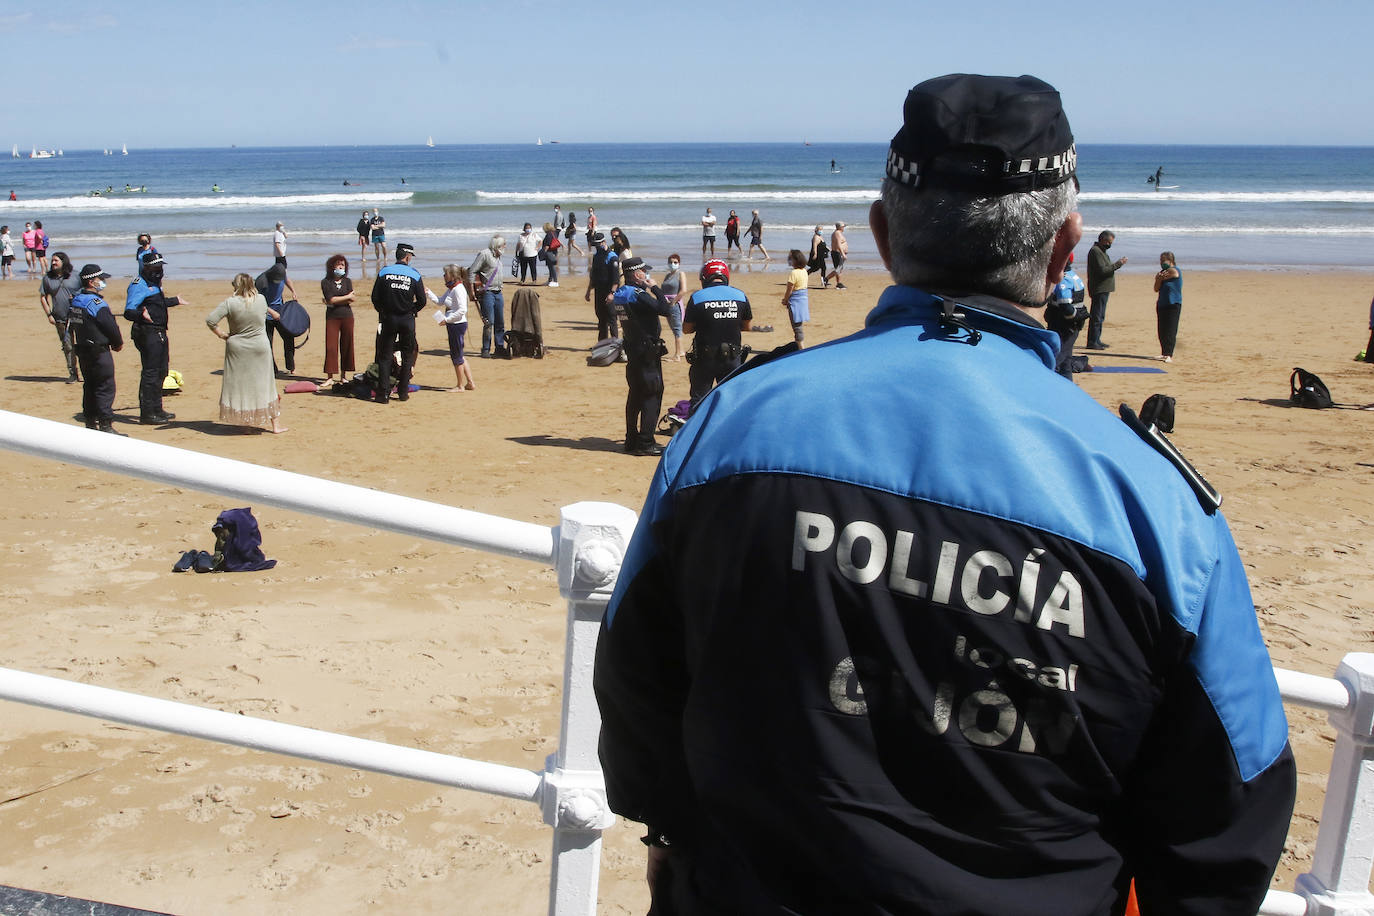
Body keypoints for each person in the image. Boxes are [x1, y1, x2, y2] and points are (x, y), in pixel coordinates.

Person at [594, 73, 1295, 916]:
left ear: (883, 235)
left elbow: (636, 682)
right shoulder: (1155, 505)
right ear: (1066, 250)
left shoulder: (731, 427)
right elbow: (1231, 807)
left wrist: (670, 836)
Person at [205, 272, 286, 433]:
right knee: (267, 385)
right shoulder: (262, 300)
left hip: (238, 348)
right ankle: (275, 426)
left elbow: (211, 320)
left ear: (236, 286)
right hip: (260, 347)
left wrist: (221, 334)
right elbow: (265, 311)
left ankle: (246, 425)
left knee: (242, 387)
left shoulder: (230, 303)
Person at [611, 256, 671, 456]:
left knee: (635, 394)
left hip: (632, 349)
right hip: (646, 351)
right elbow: (665, 309)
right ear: (637, 275)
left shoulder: (620, 293)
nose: (647, 275)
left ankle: (631, 438)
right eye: (645, 272)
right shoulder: (638, 294)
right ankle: (645, 442)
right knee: (652, 393)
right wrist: (655, 288)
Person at [124, 252, 186, 424]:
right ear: (147, 267)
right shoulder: (139, 284)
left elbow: (158, 303)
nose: (159, 270)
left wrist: (174, 301)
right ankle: (147, 413)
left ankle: (157, 408)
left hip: (159, 331)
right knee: (150, 373)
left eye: (161, 266)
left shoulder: (155, 283)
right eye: (155, 267)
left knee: (161, 371)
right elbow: (128, 312)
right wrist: (141, 315)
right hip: (147, 332)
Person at [683, 258, 751, 401]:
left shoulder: (697, 297)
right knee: (731, 399)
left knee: (699, 400)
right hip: (732, 358)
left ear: (704, 278)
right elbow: (747, 326)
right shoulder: (740, 296)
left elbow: (686, 329)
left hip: (705, 358)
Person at [68, 264, 124, 435]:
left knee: (90, 386)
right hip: (98, 352)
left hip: (83, 350)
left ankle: (91, 422)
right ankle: (106, 425)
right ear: (92, 282)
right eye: (101, 279)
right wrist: (117, 343)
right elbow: (110, 326)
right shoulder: (96, 303)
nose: (103, 282)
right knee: (105, 387)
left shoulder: (76, 301)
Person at [370, 242, 427, 403]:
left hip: (389, 318)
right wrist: (412, 310)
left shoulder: (384, 272)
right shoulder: (414, 274)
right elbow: (422, 300)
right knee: (407, 355)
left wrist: (383, 311)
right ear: (407, 257)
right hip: (407, 319)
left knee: (385, 356)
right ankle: (403, 392)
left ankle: (383, 394)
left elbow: (375, 297)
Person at [39, 251, 82, 383]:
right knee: (67, 346)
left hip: (78, 315)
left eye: (56, 260)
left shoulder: (76, 275)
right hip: (59, 318)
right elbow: (43, 297)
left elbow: (87, 290)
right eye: (52, 261)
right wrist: (49, 315)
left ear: (64, 261)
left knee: (82, 345)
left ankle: (86, 372)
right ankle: (73, 373)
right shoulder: (47, 278)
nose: (53, 263)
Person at [1045, 253, 1088, 379]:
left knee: (1058, 356)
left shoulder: (1064, 280)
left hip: (1064, 325)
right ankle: (1067, 385)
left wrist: (1074, 318)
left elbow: (1066, 307)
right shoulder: (1074, 276)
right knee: (1066, 360)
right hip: (1071, 325)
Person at [255, 262, 299, 377]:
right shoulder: (261, 281)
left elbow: (287, 280)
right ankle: (272, 369)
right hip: (265, 315)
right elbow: (257, 301)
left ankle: (291, 366)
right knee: (267, 343)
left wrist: (293, 291)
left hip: (281, 312)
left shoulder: (282, 274)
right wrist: (271, 312)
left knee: (289, 338)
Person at [1085, 230, 1126, 350]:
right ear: (1102, 239)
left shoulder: (1101, 252)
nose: (1109, 244)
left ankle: (1096, 339)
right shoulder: (1095, 252)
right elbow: (1103, 270)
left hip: (1103, 288)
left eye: (1111, 242)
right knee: (1097, 315)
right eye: (1108, 242)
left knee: (1100, 315)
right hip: (1099, 288)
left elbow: (1106, 268)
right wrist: (1118, 264)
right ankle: (1092, 341)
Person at [320, 254, 356, 388]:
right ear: (332, 267)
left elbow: (352, 299)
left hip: (347, 315)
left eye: (343, 265)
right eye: (338, 265)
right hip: (332, 317)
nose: (341, 267)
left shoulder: (348, 281)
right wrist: (345, 297)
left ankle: (344, 376)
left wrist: (338, 299)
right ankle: (329, 377)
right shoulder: (326, 282)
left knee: (347, 345)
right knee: (331, 346)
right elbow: (330, 299)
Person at [438, 263, 476, 391]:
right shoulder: (451, 288)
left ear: (452, 276)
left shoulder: (458, 289)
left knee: (456, 356)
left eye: (446, 274)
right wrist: (428, 293)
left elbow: (462, 310)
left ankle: (460, 385)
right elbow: (439, 301)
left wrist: (447, 319)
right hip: (453, 324)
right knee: (460, 354)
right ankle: (470, 382)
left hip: (457, 324)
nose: (444, 276)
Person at [469, 235, 507, 357]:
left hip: (498, 292)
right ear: (497, 246)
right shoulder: (485, 254)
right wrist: (471, 291)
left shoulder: (498, 256)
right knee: (489, 322)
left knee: (500, 322)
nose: (504, 247)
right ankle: (486, 349)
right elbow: (472, 271)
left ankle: (499, 347)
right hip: (487, 293)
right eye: (503, 245)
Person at [584, 231, 621, 342]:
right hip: (599, 291)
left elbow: (616, 279)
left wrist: (612, 293)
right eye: (595, 245)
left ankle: (615, 343)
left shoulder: (612, 257)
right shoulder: (597, 257)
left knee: (612, 318)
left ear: (604, 242)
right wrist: (588, 291)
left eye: (598, 244)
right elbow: (593, 275)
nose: (597, 247)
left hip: (609, 292)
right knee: (601, 318)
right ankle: (602, 343)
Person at [1154, 250, 1182, 362]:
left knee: (1170, 330)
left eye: (1163, 260)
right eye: (1160, 260)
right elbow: (1156, 288)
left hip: (1173, 304)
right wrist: (1158, 279)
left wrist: (1160, 278)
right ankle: (1164, 352)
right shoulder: (1162, 272)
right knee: (1162, 330)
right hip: (1162, 303)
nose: (1161, 262)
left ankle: (1169, 354)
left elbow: (1174, 274)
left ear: (1170, 261)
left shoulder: (1174, 270)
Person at [659, 253, 687, 361]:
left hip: (674, 304)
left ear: (679, 263)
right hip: (666, 304)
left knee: (677, 328)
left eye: (675, 262)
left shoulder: (681, 274)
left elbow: (683, 290)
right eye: (671, 262)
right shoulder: (667, 275)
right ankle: (681, 350)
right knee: (673, 328)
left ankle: (677, 355)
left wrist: (673, 302)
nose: (673, 264)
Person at [781, 248, 810, 346]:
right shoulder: (804, 271)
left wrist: (785, 299)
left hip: (795, 301)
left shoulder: (794, 273)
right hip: (803, 300)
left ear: (796, 260)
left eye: (791, 258)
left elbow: (790, 288)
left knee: (796, 326)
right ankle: (799, 344)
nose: (789, 260)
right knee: (799, 324)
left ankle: (800, 347)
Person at [825, 221, 849, 289]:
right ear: (840, 227)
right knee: (838, 269)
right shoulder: (837, 233)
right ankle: (826, 279)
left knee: (839, 269)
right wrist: (843, 254)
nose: (844, 228)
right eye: (843, 227)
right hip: (837, 253)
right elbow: (838, 244)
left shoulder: (838, 233)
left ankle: (838, 283)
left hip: (838, 253)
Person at [539, 222, 561, 287]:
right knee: (550, 266)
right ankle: (550, 280)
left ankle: (555, 281)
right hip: (554, 251)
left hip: (549, 252)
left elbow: (547, 245)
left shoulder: (548, 234)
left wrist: (543, 252)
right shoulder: (554, 233)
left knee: (551, 267)